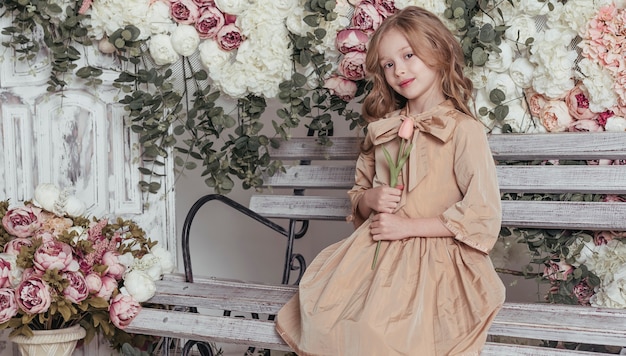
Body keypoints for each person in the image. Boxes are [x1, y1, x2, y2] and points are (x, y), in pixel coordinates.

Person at [275, 6, 505, 356]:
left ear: (438, 52)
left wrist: (407, 227)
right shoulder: (383, 130)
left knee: (379, 332)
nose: (399, 70)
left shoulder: (463, 130)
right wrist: (371, 199)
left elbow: (482, 214)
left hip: (435, 259)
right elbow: (358, 195)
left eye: (408, 55)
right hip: (375, 253)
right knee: (327, 318)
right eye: (388, 64)